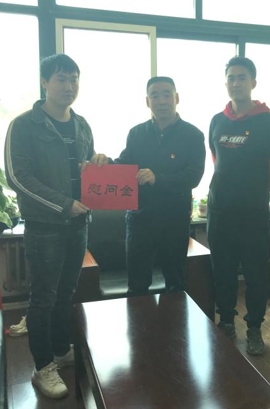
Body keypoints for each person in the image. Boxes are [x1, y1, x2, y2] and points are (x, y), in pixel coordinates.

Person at [5, 54, 103, 399]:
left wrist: (98, 163)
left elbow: (85, 168)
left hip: (79, 223)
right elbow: (18, 177)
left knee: (65, 294)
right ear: (44, 82)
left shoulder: (82, 124)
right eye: (61, 78)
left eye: (74, 78)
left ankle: (61, 350)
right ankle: (43, 366)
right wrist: (62, 204)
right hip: (45, 226)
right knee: (43, 298)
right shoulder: (24, 125)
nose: (69, 86)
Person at [94, 76, 205, 295]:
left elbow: (193, 176)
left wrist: (158, 178)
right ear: (147, 101)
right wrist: (106, 163)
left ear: (177, 98)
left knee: (175, 284)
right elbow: (124, 165)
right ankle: (140, 320)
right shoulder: (136, 133)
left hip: (174, 220)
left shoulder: (193, 135)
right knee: (136, 285)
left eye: (166, 95)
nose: (161, 101)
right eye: (155, 96)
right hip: (140, 219)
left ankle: (174, 319)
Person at [207, 56, 270, 355]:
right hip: (220, 211)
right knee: (223, 271)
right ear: (225, 82)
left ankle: (254, 328)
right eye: (231, 78)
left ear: (253, 82)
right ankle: (226, 321)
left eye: (242, 77)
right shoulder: (217, 120)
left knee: (255, 274)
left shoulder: (268, 122)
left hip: (253, 212)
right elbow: (217, 160)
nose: (236, 83)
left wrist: (250, 189)